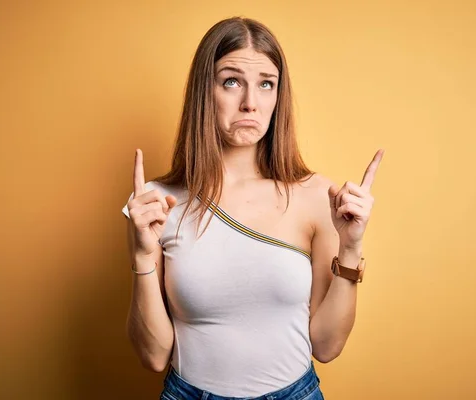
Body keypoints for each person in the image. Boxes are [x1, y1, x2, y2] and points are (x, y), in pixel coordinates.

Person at [122, 16, 384, 400]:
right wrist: (143, 253)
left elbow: (327, 347)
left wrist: (351, 248)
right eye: (231, 81)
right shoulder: (157, 202)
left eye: (266, 84)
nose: (250, 103)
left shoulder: (317, 196)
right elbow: (153, 355)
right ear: (204, 91)